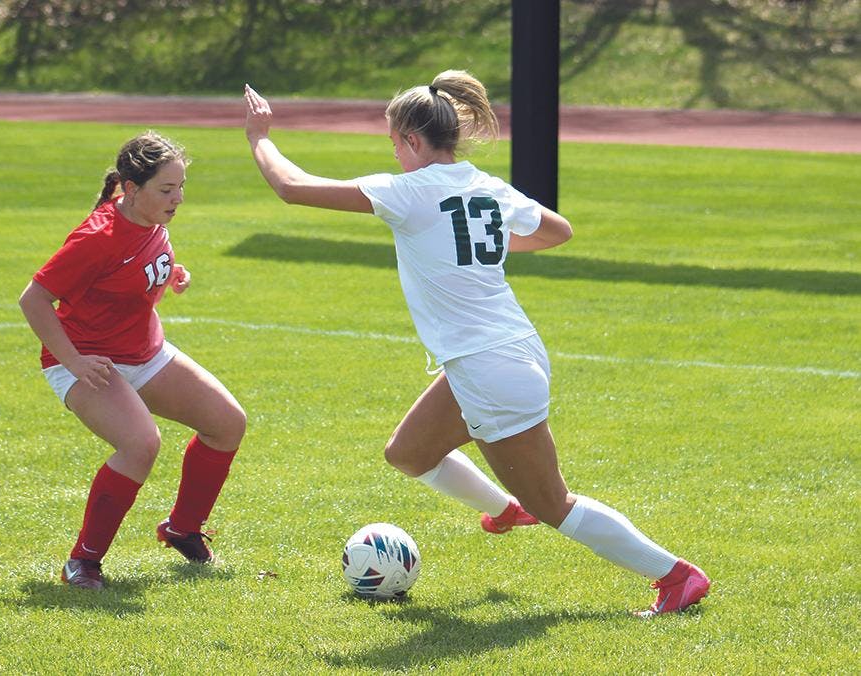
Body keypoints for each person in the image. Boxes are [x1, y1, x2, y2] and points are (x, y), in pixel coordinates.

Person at [243, 72, 710, 617]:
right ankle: (506, 511)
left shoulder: (410, 191)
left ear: (413, 141)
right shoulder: (484, 183)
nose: (393, 156)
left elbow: (291, 187)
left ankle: (677, 576)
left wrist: (259, 136)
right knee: (409, 454)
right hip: (505, 351)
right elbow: (559, 229)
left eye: (394, 144)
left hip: (491, 367)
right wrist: (484, 245)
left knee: (554, 503)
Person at [19, 131, 246, 590]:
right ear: (131, 187)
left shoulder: (150, 218)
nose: (178, 198)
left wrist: (169, 274)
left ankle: (182, 529)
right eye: (167, 189)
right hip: (88, 360)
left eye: (181, 187)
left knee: (228, 423)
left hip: (144, 353)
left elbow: (132, 271)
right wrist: (75, 361)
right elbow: (34, 300)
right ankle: (82, 562)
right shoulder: (96, 237)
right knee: (141, 445)